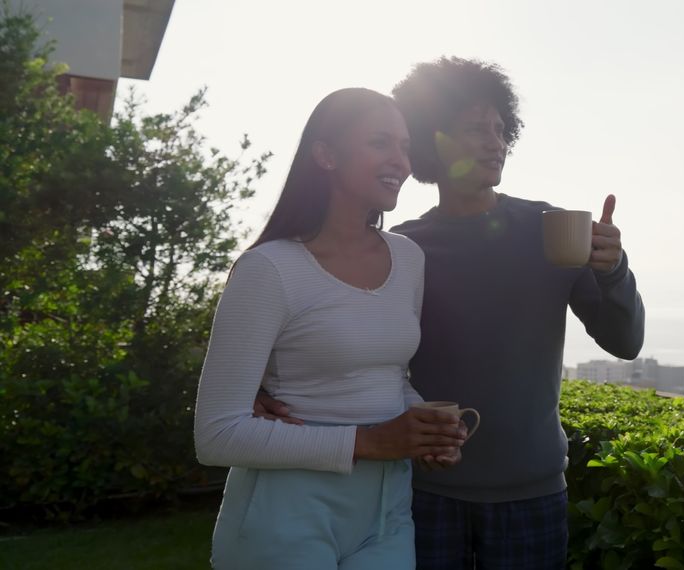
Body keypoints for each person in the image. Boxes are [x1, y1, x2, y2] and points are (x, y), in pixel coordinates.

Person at [257, 58, 646, 569]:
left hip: (532, 494)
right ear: (431, 141)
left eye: (500, 129)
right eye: (475, 129)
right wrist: (264, 389)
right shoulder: (403, 249)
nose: (494, 141)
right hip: (423, 491)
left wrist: (613, 269)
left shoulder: (551, 231)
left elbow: (625, 342)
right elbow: (337, 340)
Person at [194, 87, 466, 569]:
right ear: (325, 154)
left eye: (404, 145)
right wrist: (371, 442)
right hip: (283, 516)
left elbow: (386, 378)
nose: (400, 160)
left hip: (387, 514)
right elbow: (216, 435)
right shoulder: (268, 268)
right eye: (380, 142)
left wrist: (422, 425)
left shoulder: (408, 258)